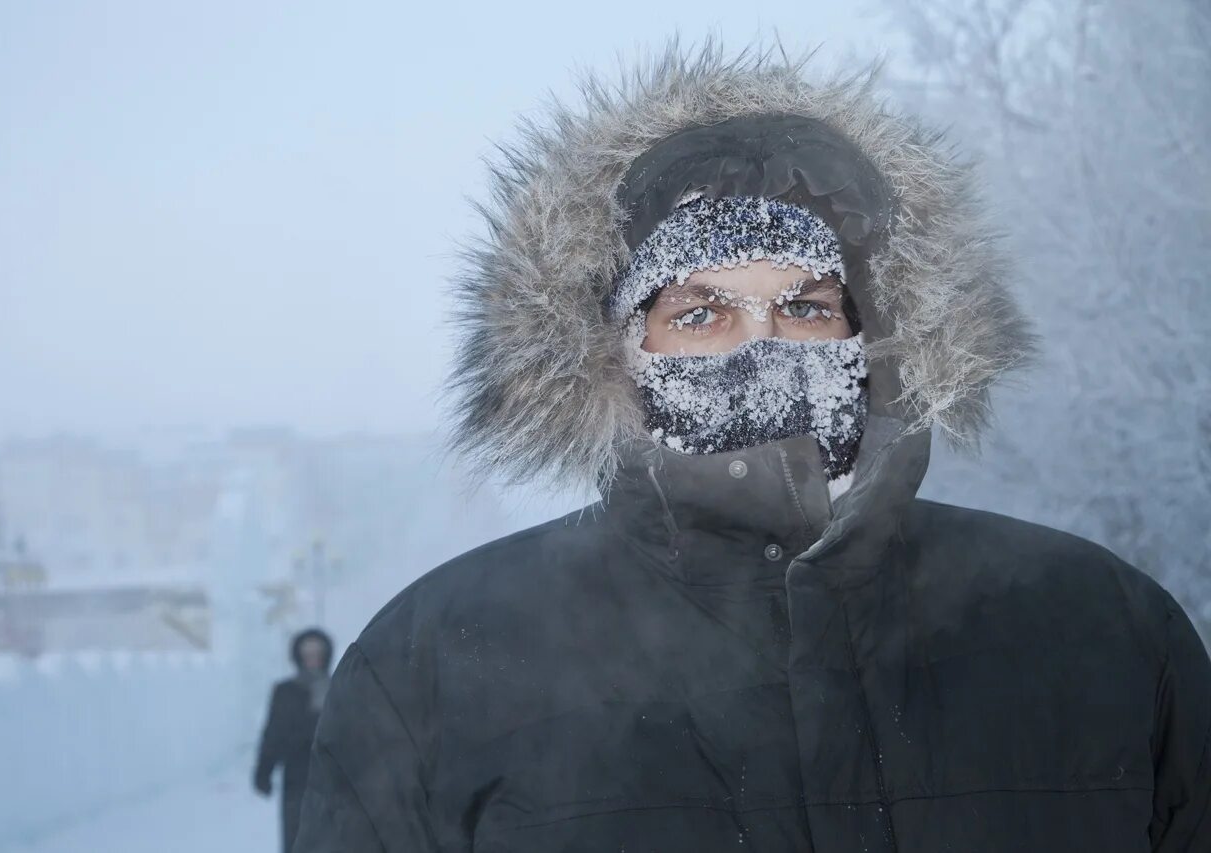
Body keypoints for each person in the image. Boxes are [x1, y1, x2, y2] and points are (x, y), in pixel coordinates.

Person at [293, 43, 1211, 852]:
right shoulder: (434, 665)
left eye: (806, 307)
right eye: (700, 312)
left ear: (872, 335)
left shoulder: (1100, 626)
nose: (760, 345)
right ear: (619, 353)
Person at [254, 627, 332, 853]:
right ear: (298, 655)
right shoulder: (285, 691)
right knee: (296, 839)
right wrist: (264, 770)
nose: (313, 658)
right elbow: (273, 733)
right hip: (297, 779)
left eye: (317, 653)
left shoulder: (340, 686)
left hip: (336, 779)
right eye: (308, 653)